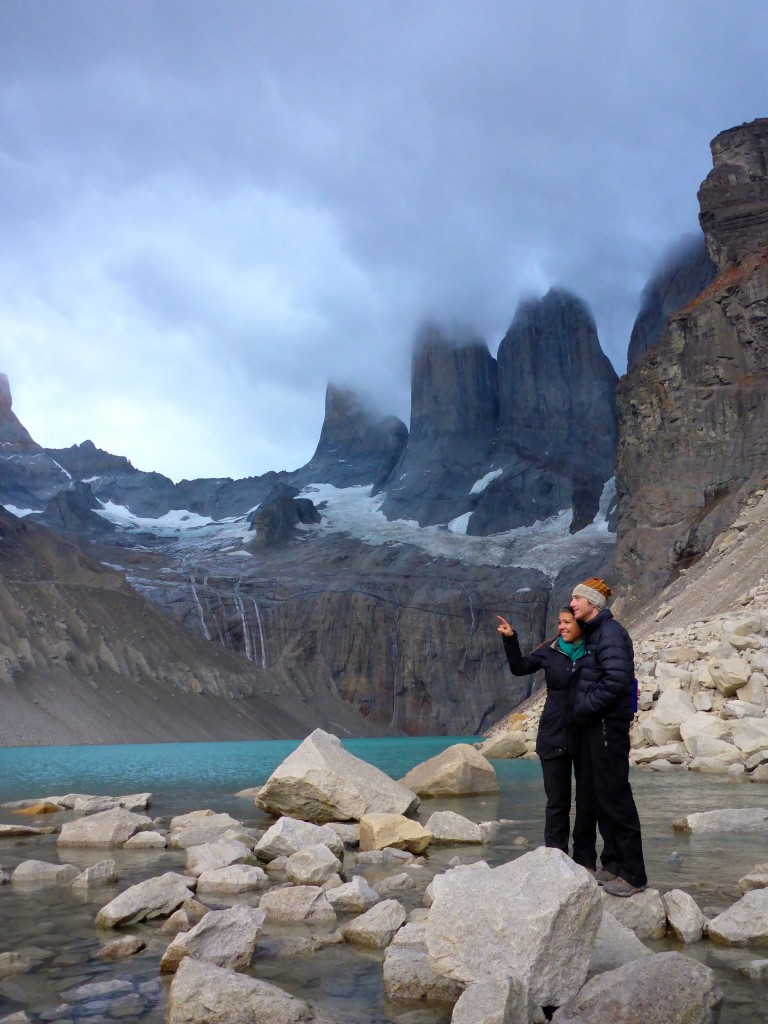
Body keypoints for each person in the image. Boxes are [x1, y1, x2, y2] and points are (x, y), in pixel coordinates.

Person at [497, 608, 597, 872]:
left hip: (586, 735)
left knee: (587, 801)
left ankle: (585, 862)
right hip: (553, 734)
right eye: (559, 623)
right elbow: (519, 668)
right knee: (557, 801)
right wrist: (510, 638)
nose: (562, 627)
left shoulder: (594, 650)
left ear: (580, 624)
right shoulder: (549, 651)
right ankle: (557, 861)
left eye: (567, 623)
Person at [569, 577, 647, 897]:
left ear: (593, 603)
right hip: (594, 725)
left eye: (577, 598)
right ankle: (613, 864)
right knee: (599, 795)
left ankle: (634, 874)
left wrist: (584, 708)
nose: (572, 603)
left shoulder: (610, 633)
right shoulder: (594, 633)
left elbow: (616, 680)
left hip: (605, 724)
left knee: (615, 796)